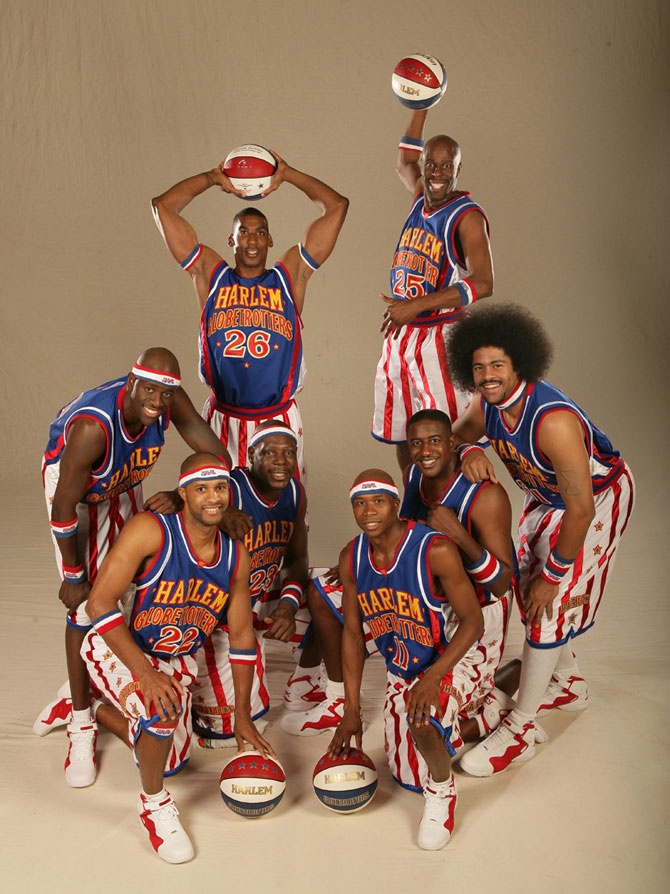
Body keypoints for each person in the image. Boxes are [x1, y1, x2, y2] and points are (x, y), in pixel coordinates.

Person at [446, 302, 636, 776]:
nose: (487, 375)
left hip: (595, 501)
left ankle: (523, 727)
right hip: (547, 498)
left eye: (497, 366)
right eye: (479, 367)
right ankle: (567, 683)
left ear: (519, 365)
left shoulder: (551, 420)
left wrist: (554, 575)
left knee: (546, 602)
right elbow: (456, 437)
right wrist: (469, 449)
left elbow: (582, 509)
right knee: (526, 593)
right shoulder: (486, 402)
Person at [35, 348, 232, 788]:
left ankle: (93, 684)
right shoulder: (90, 428)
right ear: (130, 382)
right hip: (78, 496)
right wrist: (73, 575)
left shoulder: (166, 399)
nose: (158, 402)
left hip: (121, 481)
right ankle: (81, 721)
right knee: (85, 607)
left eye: (166, 393)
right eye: (149, 390)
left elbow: (217, 458)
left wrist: (182, 494)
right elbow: (64, 509)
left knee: (129, 588)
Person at [281, 411, 519, 740]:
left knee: (431, 729)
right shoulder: (414, 477)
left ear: (452, 443)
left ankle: (489, 710)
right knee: (323, 591)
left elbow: (501, 583)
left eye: (435, 441)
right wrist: (361, 562)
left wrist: (459, 536)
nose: (425, 452)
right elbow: (403, 532)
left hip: (472, 607)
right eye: (416, 444)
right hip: (418, 591)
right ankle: (340, 701)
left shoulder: (484, 495)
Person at [83, 453, 273, 863]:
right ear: (183, 493)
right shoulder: (150, 531)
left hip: (178, 658)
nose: (213, 497)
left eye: (220, 488)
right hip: (122, 646)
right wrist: (146, 674)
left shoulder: (235, 554)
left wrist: (242, 713)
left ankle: (93, 707)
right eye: (201, 488)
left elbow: (240, 636)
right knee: (160, 713)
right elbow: (98, 604)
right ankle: (153, 805)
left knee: (172, 760)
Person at [151, 150, 349, 478]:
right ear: (231, 240)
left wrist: (287, 174)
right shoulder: (210, 276)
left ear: (270, 239)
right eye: (243, 231)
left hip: (278, 420)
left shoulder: (289, 278)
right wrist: (213, 178)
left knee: (280, 519)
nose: (252, 239)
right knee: (220, 516)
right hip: (223, 420)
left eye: (259, 232)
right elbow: (163, 207)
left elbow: (337, 206)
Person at [327, 470, 483, 851]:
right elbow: (351, 633)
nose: (368, 511)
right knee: (404, 773)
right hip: (403, 668)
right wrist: (352, 709)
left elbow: (474, 621)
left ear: (396, 505)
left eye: (378, 501)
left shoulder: (435, 550)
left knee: (422, 720)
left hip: (454, 656)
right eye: (359, 503)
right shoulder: (352, 557)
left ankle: (443, 793)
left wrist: (435, 676)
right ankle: (487, 713)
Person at [371, 107, 494, 472]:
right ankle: (415, 510)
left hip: (440, 335)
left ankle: (452, 517)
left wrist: (416, 305)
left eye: (446, 166)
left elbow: (484, 282)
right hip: (401, 332)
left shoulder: (466, 215)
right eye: (431, 165)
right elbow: (403, 160)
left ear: (458, 170)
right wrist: (419, 106)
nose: (437, 174)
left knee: (451, 437)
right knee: (407, 435)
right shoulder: (420, 196)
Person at [190, 421, 318, 744]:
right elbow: (187, 502)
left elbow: (296, 560)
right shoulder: (228, 488)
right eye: (270, 452)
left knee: (330, 595)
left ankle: (305, 681)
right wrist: (222, 512)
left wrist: (289, 606)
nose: (281, 461)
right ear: (249, 455)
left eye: (289, 452)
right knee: (224, 732)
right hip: (218, 609)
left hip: (262, 592)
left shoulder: (294, 493)